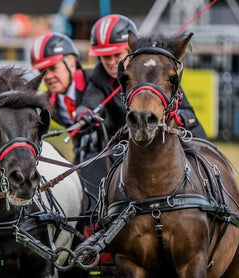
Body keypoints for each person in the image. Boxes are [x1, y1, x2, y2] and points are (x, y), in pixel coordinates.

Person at [74, 14, 208, 211]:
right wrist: (83, 113)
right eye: (105, 57)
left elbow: (188, 114)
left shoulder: (156, 73)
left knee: (208, 160)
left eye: (116, 55)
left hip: (165, 143)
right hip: (122, 149)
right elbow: (87, 103)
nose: (111, 62)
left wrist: (175, 118)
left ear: (130, 51)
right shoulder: (99, 78)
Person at [30, 32, 91, 128]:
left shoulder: (94, 79)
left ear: (72, 64)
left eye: (53, 68)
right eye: (42, 71)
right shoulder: (47, 102)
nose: (48, 76)